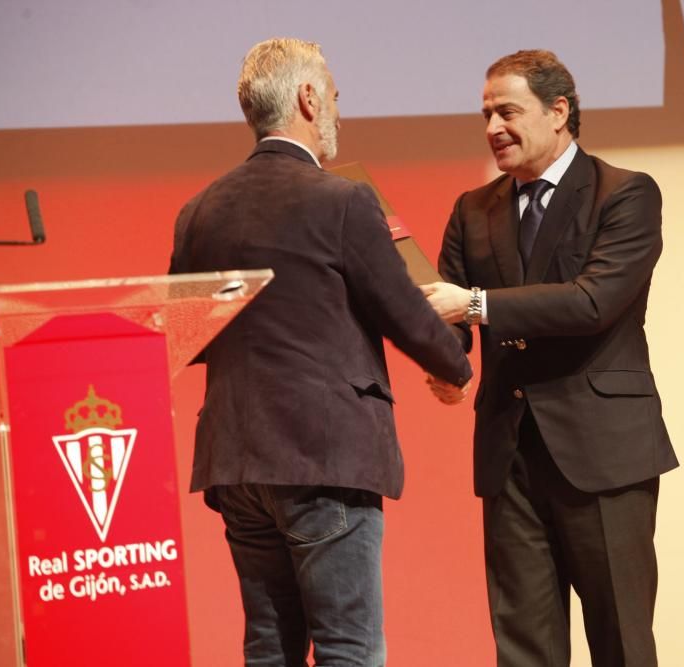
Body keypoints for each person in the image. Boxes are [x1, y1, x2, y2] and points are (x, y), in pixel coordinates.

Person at [169, 37, 472, 667]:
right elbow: (402, 309)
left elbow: (187, 334)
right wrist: (455, 367)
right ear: (308, 98)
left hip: (238, 464)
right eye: (333, 94)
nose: (337, 107)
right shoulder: (343, 199)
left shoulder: (198, 210)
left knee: (268, 649)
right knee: (348, 649)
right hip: (322, 459)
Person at [421, 49, 678, 666]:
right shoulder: (471, 209)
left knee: (621, 642)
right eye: (484, 114)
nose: (492, 128)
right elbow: (449, 314)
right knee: (524, 649)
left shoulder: (625, 195)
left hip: (604, 456)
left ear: (558, 110)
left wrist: (473, 307)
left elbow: (592, 302)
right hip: (509, 457)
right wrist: (444, 361)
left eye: (507, 111)